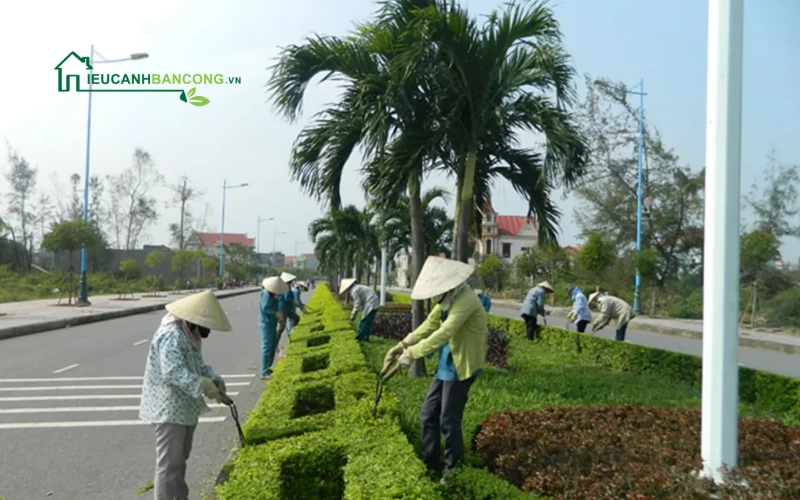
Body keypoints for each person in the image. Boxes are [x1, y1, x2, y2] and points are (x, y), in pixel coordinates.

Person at [382, 257, 487, 485]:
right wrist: (401, 346)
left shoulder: (465, 299)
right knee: (428, 413)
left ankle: (452, 469)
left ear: (447, 287)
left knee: (448, 419)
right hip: (447, 362)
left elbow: (444, 333)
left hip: (463, 364)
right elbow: (429, 325)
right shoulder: (448, 299)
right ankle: (429, 462)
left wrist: (411, 354)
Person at [138, 290, 233, 500]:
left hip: (184, 407)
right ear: (192, 320)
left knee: (179, 461)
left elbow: (197, 364)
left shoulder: (187, 334)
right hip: (168, 408)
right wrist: (204, 385)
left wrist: (215, 379)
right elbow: (173, 371)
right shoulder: (171, 335)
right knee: (169, 465)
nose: (205, 332)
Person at [260, 276, 289, 380]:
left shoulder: (272, 295)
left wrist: (278, 316)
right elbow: (266, 308)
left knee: (272, 345)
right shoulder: (267, 295)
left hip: (271, 322)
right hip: (266, 323)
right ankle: (264, 371)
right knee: (267, 346)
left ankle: (268, 368)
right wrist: (276, 314)